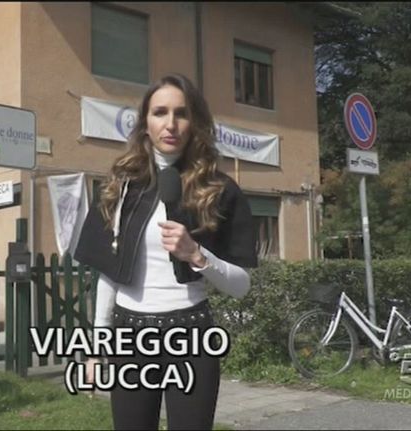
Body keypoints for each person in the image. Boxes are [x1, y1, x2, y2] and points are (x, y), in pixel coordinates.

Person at [74, 73, 257, 430]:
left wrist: (198, 256)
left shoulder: (219, 190)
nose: (170, 123)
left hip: (191, 335)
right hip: (129, 336)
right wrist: (97, 348)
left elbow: (242, 286)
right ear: (145, 122)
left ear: (195, 122)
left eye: (181, 113)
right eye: (160, 112)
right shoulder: (120, 185)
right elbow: (109, 274)